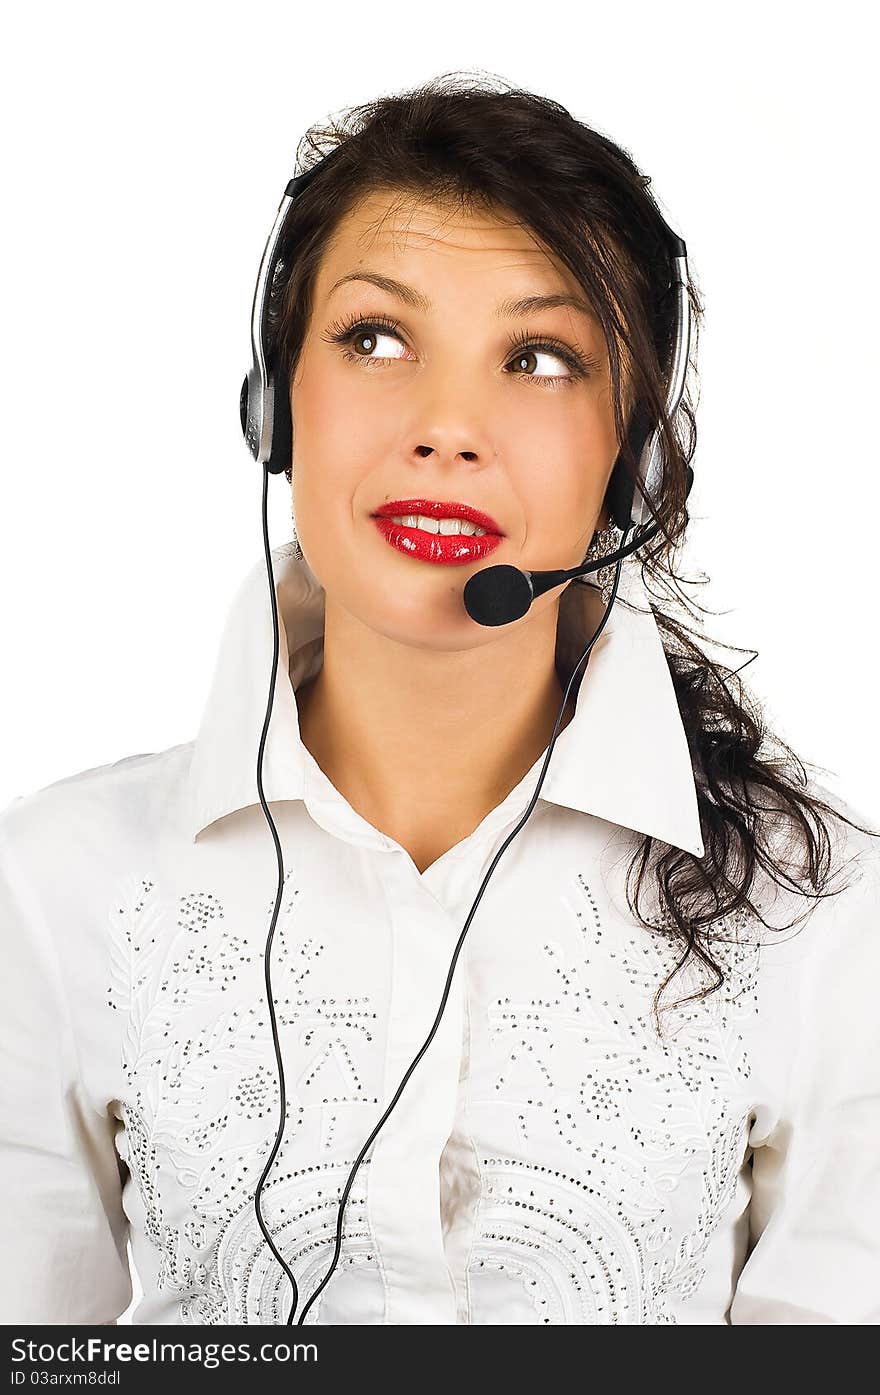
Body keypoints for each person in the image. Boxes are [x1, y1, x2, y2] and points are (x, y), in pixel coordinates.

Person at [2, 73, 879, 1327]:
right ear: (273, 411)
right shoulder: (51, 889)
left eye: (538, 358)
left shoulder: (829, 921)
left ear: (624, 453)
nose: (446, 428)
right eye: (373, 339)